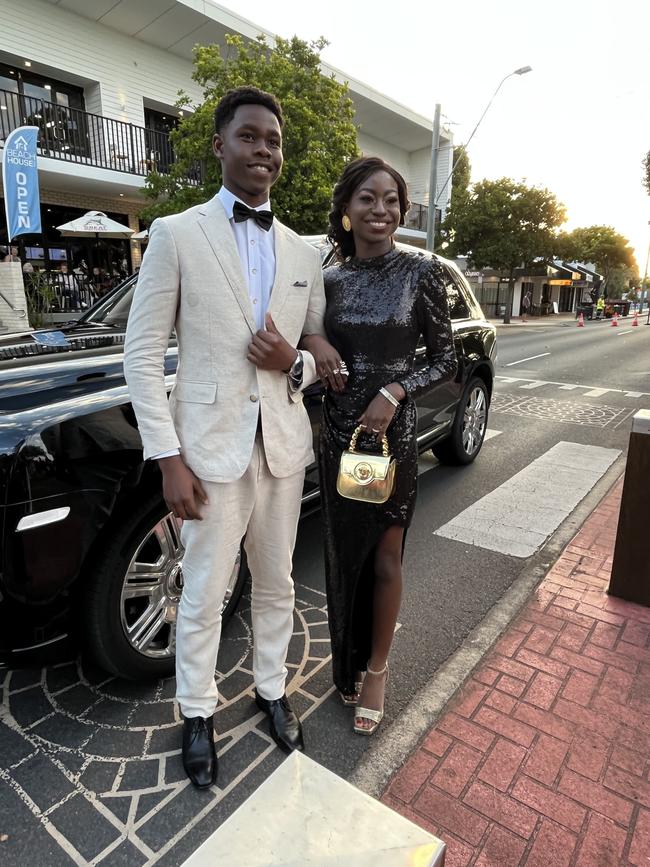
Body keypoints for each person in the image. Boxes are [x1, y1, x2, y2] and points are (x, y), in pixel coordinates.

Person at [124, 86, 329, 789]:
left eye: (273, 140)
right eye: (249, 136)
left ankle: (271, 689)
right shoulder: (176, 234)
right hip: (206, 453)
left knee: (277, 581)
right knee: (205, 591)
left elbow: (315, 355)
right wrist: (167, 457)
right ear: (220, 145)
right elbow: (141, 354)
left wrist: (294, 363)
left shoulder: (305, 252)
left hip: (281, 448)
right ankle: (197, 710)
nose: (264, 150)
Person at [302, 157, 457, 735]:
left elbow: (445, 359)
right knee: (343, 558)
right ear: (346, 210)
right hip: (339, 436)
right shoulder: (330, 279)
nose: (381, 210)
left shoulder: (421, 274)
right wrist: (317, 344)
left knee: (387, 555)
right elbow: (306, 335)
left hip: (389, 439)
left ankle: (377, 671)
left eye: (392, 200)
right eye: (368, 199)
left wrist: (394, 389)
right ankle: (344, 664)